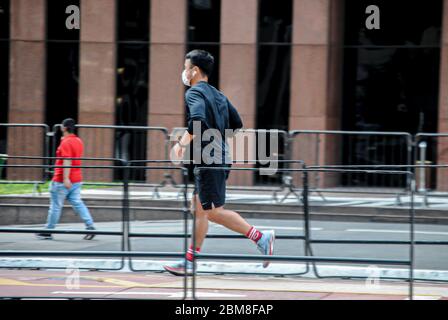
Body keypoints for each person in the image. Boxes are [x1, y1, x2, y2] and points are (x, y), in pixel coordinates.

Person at [163, 50, 275, 276]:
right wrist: (217, 138)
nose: (184, 72)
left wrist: (181, 145)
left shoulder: (194, 93)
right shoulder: (218, 95)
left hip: (209, 159)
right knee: (199, 208)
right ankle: (190, 261)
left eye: (185, 67)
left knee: (213, 212)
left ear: (194, 70)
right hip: (218, 155)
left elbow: (197, 120)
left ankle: (261, 237)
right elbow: (237, 124)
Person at [36, 118, 96, 240]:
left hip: (62, 179)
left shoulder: (66, 142)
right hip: (77, 178)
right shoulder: (79, 141)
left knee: (56, 206)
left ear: (64, 128)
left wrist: (65, 178)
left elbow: (67, 160)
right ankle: (90, 226)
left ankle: (48, 230)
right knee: (78, 203)